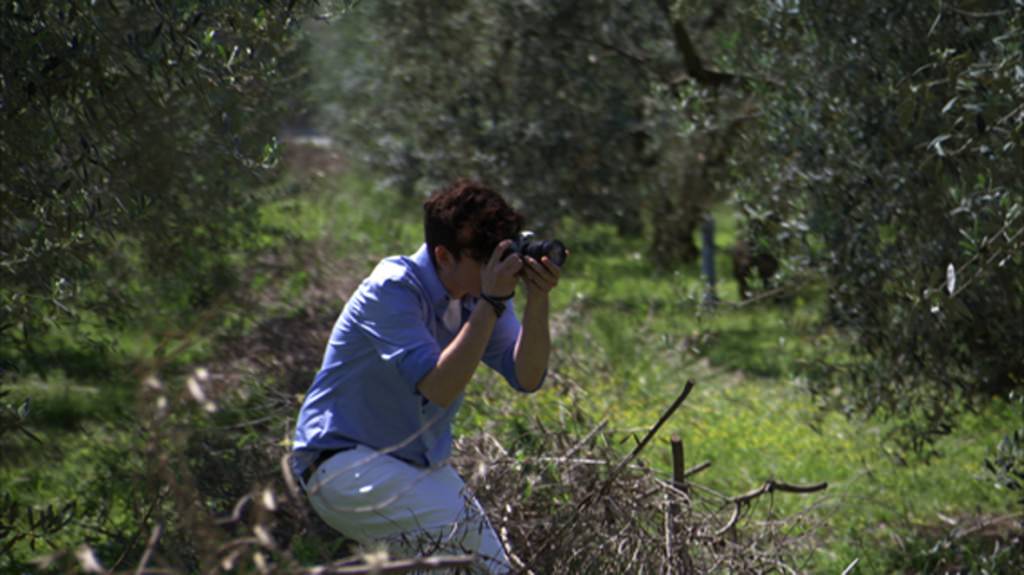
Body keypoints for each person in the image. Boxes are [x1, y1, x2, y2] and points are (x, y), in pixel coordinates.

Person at [292, 179, 564, 572]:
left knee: (490, 566)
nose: (495, 267)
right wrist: (491, 303)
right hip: (341, 465)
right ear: (444, 256)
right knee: (468, 547)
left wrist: (538, 299)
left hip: (415, 467)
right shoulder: (392, 290)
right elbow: (438, 386)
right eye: (483, 257)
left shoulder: (477, 296)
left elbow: (528, 376)